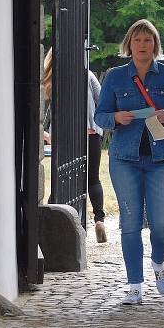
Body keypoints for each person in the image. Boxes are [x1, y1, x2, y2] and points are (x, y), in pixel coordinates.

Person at [94, 19, 164, 305]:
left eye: (147, 40)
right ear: (129, 44)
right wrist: (115, 118)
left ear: (155, 45)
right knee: (130, 222)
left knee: (161, 223)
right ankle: (134, 284)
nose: (142, 46)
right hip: (125, 158)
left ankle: (158, 262)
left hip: (162, 158)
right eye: (137, 40)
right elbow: (100, 116)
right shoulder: (114, 77)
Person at [42, 49, 107, 243]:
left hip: (64, 137)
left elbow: (46, 113)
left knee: (62, 177)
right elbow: (101, 100)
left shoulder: (51, 79)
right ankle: (99, 219)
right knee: (93, 179)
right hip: (90, 133)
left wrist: (48, 134)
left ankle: (55, 217)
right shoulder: (87, 75)